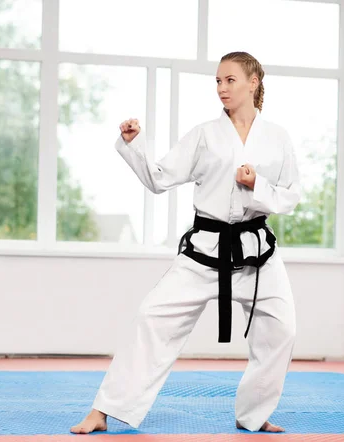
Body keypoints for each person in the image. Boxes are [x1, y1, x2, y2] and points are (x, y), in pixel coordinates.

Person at [70, 51, 300, 434]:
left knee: (282, 330)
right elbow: (159, 178)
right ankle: (103, 411)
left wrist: (255, 184)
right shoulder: (205, 134)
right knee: (151, 317)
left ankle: (255, 415)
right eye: (217, 81)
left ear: (253, 82)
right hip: (206, 248)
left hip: (256, 253)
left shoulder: (277, 138)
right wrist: (135, 145)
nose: (221, 88)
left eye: (230, 80)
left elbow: (291, 194)